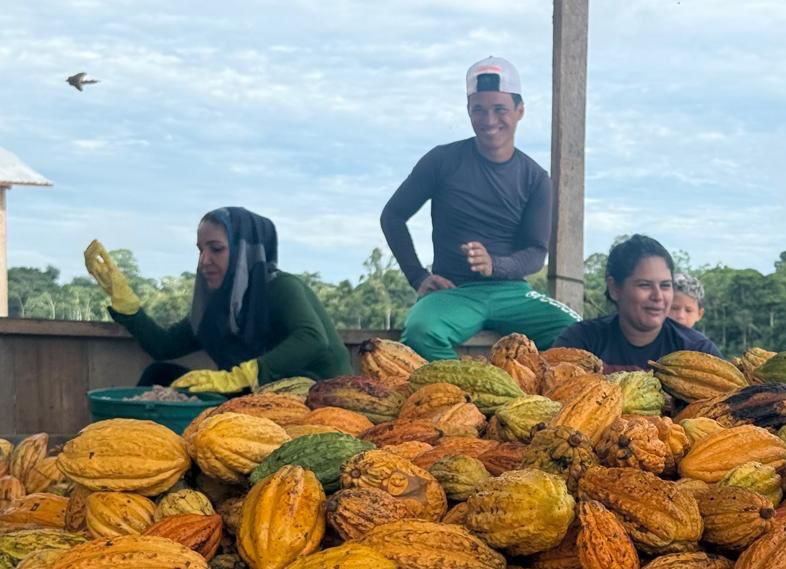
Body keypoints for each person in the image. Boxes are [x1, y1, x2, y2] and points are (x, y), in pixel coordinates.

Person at [381, 56, 580, 360]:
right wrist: (418, 277)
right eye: (479, 109)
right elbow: (392, 217)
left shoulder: (536, 178)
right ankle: (465, 398)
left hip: (513, 292)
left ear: (520, 110)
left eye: (500, 109)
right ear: (468, 111)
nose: (489, 120)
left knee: (577, 331)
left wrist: (495, 265)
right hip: (453, 290)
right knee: (421, 330)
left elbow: (535, 253)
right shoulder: (441, 161)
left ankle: (528, 397)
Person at [83, 207, 350, 391]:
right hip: (254, 401)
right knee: (160, 375)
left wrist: (243, 376)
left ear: (246, 251)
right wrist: (127, 305)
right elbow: (163, 346)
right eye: (200, 250)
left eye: (216, 249)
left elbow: (312, 338)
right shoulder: (214, 309)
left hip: (319, 398)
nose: (204, 262)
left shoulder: (280, 287)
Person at [553, 234, 721, 372]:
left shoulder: (697, 350)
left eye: (665, 285)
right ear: (614, 289)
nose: (658, 296)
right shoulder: (582, 340)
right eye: (645, 285)